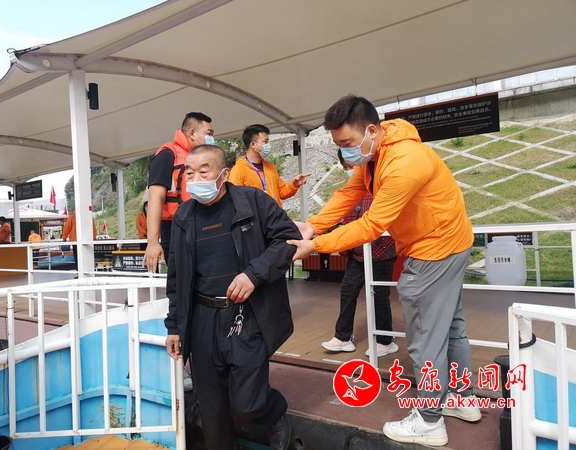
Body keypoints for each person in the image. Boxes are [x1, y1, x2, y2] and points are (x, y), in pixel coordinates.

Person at [287, 95, 479, 447]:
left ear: (371, 131)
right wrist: (313, 225)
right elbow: (349, 193)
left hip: (433, 251)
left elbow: (372, 224)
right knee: (451, 327)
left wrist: (316, 245)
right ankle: (462, 398)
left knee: (424, 338)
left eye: (347, 142)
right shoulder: (377, 153)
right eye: (338, 145)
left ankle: (430, 420)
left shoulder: (404, 162)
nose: (345, 152)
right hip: (451, 242)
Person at [164, 144, 301, 450]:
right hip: (202, 318)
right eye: (189, 173)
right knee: (212, 414)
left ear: (224, 174)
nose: (195, 179)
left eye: (204, 171)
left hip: (245, 314)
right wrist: (174, 326)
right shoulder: (184, 216)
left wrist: (253, 274)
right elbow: (176, 276)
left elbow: (288, 240)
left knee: (247, 405)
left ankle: (274, 412)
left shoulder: (253, 202)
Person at [321, 149, 398, 357]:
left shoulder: (379, 182)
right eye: (346, 167)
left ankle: (386, 341)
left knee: (380, 295)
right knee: (348, 291)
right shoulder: (351, 189)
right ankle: (343, 337)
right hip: (357, 251)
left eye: (351, 166)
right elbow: (347, 219)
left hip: (382, 249)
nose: (350, 171)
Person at [143, 112, 215, 272]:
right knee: (182, 278)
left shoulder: (198, 158)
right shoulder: (167, 155)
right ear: (192, 133)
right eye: (209, 133)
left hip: (201, 225)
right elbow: (155, 198)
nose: (212, 138)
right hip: (176, 228)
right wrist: (153, 242)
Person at [228, 124, 311, 207]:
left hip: (276, 214)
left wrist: (294, 184)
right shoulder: (238, 170)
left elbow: (282, 193)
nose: (268, 145)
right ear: (253, 144)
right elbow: (235, 201)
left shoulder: (270, 167)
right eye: (265, 141)